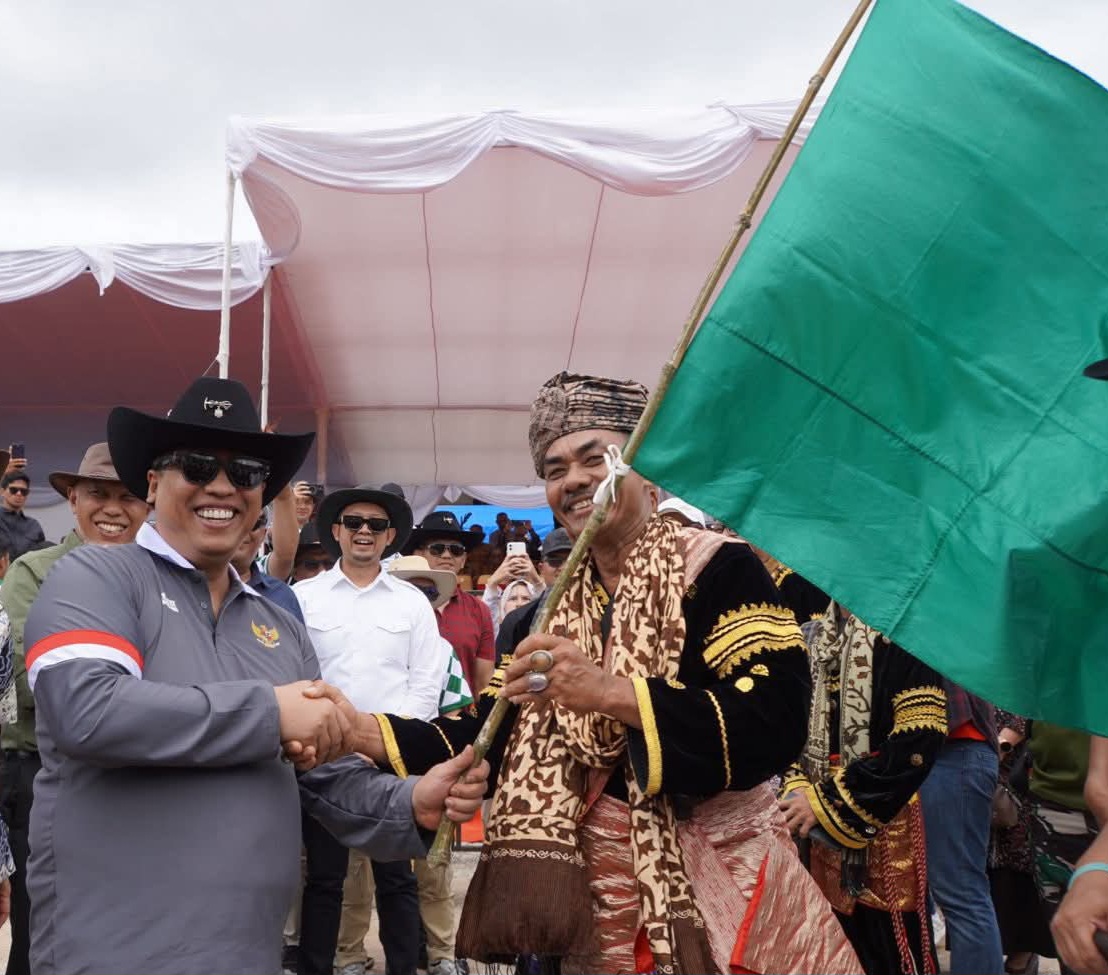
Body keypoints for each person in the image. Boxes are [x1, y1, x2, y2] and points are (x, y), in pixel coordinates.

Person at [356, 371, 861, 974]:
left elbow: (772, 722)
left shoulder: (719, 571)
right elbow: (488, 729)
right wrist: (356, 731)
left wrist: (610, 693)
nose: (573, 481)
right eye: (553, 469)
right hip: (585, 900)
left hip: (724, 877)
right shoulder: (544, 614)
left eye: (595, 458)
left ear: (645, 466)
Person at [21, 379, 487, 975]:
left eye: (244, 472)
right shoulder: (96, 578)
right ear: (153, 481)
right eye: (194, 465)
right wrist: (270, 712)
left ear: (262, 494)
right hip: (114, 948)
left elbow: (324, 773)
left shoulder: (280, 625)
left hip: (248, 952)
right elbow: (87, 712)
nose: (221, 486)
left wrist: (411, 803)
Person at [0, 441, 150, 975]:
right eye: (97, 493)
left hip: (136, 779)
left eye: (127, 495)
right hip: (41, 773)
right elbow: (27, 680)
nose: (112, 508)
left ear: (149, 503)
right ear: (73, 499)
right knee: (43, 928)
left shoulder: (164, 580)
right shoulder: (34, 574)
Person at [295, 484, 444, 975]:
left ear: (390, 537)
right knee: (323, 880)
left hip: (390, 760)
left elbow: (426, 682)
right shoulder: (302, 598)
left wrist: (384, 744)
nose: (364, 532)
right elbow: (294, 675)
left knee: (396, 880)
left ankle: (404, 968)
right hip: (321, 758)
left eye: (375, 526)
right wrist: (332, 741)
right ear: (335, 531)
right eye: (354, 523)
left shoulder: (412, 604)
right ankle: (317, 967)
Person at [779, 602, 946, 974]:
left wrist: (827, 802)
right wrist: (795, 787)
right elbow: (789, 726)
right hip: (813, 821)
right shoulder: (811, 635)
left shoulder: (908, 632)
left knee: (889, 944)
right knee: (830, 943)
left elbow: (918, 741)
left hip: (883, 818)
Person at [920, 681, 1006, 975]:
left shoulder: (935, 637)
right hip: (951, 753)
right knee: (959, 892)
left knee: (962, 893)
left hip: (954, 750)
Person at [989, 711, 1055, 975]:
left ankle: (1022, 958)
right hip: (984, 783)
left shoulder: (1022, 679)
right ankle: (996, 954)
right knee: (990, 876)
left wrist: (999, 746)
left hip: (1016, 790)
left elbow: (1021, 718)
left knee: (1018, 875)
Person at [406, 511, 496, 694]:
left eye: (456, 550)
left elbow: (482, 681)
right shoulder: (399, 604)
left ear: (463, 560)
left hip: (461, 718)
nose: (447, 555)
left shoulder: (479, 609)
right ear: (418, 554)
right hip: (406, 716)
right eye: (437, 548)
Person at [230, 506, 303, 621]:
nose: (243, 529)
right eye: (231, 519)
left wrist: (284, 497)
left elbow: (284, 556)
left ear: (263, 534)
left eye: (254, 523)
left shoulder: (282, 595)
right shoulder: (192, 591)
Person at [0, 471, 44, 562]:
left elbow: (41, 557)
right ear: (2, 491)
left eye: (24, 491)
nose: (19, 494)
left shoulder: (34, 526)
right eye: (13, 490)